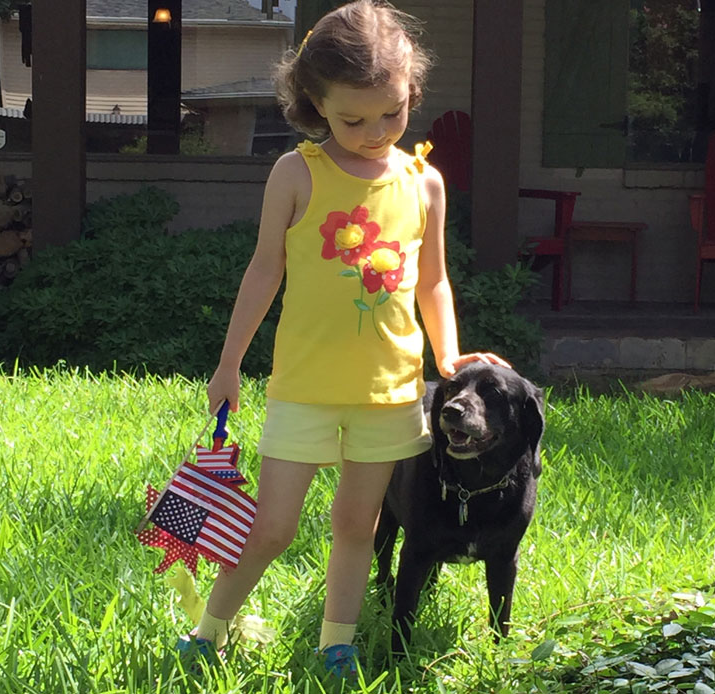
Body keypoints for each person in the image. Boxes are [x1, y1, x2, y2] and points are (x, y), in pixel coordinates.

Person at [180, 0, 509, 676]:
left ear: (411, 92)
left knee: (358, 526)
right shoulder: (297, 174)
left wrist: (448, 357)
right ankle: (207, 633)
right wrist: (229, 362)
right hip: (304, 387)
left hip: (389, 393)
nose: (374, 131)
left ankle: (338, 643)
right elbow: (264, 269)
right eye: (351, 118)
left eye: (391, 113)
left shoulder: (425, 184)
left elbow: (433, 284)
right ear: (313, 103)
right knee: (271, 528)